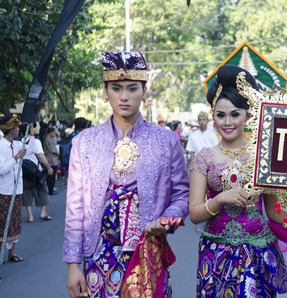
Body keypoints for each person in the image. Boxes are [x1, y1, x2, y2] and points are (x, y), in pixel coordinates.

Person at [63, 50, 189, 298]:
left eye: (132, 88)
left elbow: (182, 194)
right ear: (105, 91)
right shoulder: (84, 143)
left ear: (144, 91)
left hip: (148, 250)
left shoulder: (166, 141)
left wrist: (167, 219)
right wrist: (72, 265)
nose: (124, 97)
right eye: (116, 88)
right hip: (98, 253)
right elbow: (75, 207)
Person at [189, 65, 287, 297]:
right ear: (212, 116)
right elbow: (194, 214)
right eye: (220, 115)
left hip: (259, 253)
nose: (227, 122)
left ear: (248, 115)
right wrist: (219, 200)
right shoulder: (204, 157)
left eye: (235, 114)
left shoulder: (262, 156)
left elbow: (274, 213)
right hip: (216, 254)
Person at [0, 115, 26, 263]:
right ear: (10, 129)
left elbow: (26, 151)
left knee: (15, 222)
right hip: (5, 190)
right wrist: (16, 157)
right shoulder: (1, 146)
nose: (18, 129)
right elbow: (2, 170)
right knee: (4, 224)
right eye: (16, 127)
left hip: (17, 189)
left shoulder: (17, 144)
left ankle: (12, 253)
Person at [20, 123, 54, 222]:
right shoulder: (36, 142)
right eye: (31, 128)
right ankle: (43, 213)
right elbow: (41, 156)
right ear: (29, 130)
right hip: (36, 172)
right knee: (42, 190)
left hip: (25, 171)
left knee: (27, 192)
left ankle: (30, 216)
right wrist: (48, 167)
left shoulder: (20, 142)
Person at [43, 127, 59, 195]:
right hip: (50, 159)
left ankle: (51, 189)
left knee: (52, 176)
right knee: (51, 177)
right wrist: (58, 153)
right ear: (50, 132)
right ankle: (50, 190)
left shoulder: (50, 139)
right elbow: (52, 150)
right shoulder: (48, 139)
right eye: (54, 132)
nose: (54, 134)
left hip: (52, 159)